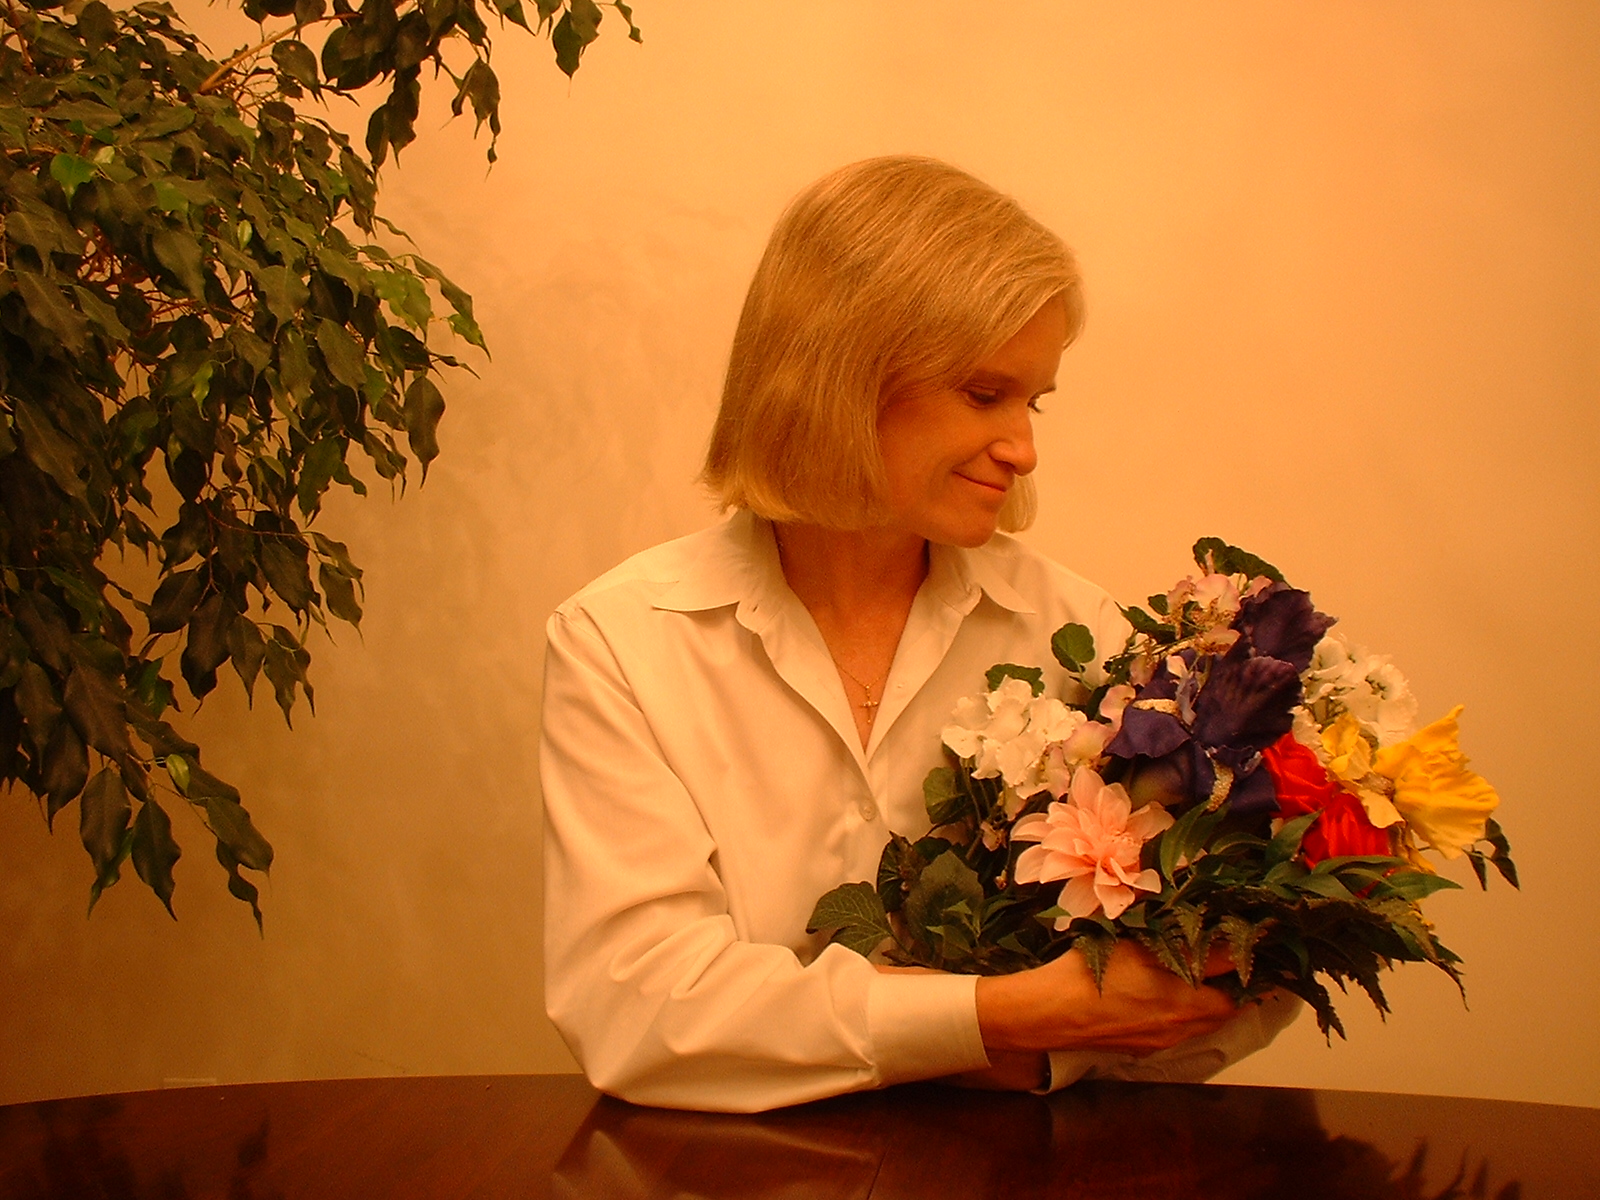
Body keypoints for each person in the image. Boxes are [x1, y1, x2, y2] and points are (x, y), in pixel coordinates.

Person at [540, 156, 1297, 1113]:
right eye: (984, 394)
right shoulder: (623, 642)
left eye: (1034, 401)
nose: (1025, 449)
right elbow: (637, 1008)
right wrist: (1008, 1019)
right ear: (839, 375)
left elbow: (1239, 981)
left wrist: (1030, 1045)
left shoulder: (1082, 636)